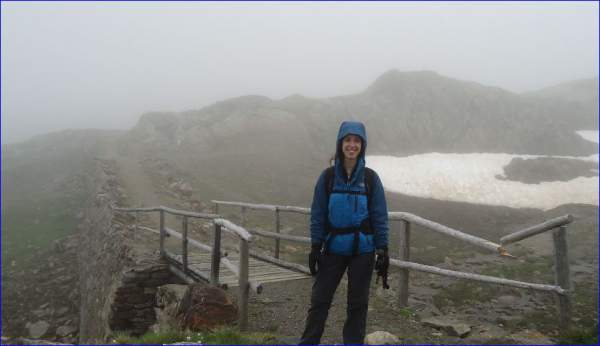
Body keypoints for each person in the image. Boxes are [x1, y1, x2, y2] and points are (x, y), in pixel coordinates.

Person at [299, 121, 389, 345]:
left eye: (356, 141)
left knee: (357, 305)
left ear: (362, 145)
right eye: (347, 140)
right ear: (340, 144)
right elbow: (318, 213)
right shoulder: (328, 177)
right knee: (320, 300)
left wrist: (383, 248)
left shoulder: (370, 178)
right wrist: (314, 246)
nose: (352, 145)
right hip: (333, 247)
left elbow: (379, 215)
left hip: (364, 250)